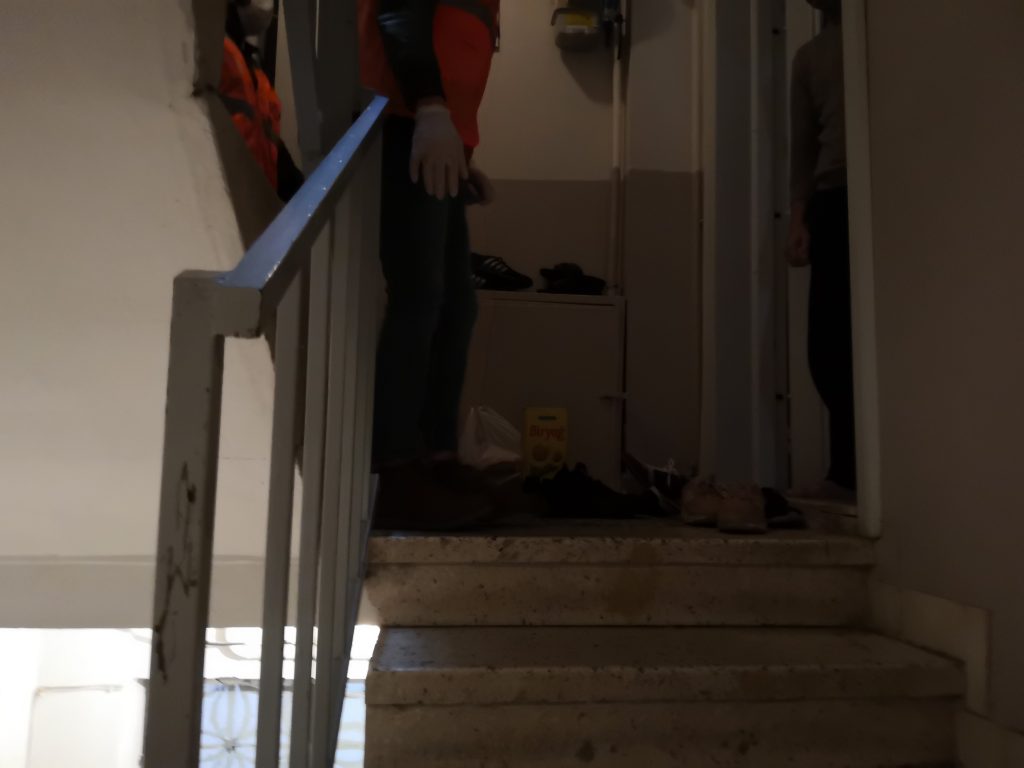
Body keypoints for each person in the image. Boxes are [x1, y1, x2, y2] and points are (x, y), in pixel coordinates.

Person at [359, 0, 500, 529]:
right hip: (402, 121)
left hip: (431, 130)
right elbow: (399, 10)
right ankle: (393, 470)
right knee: (420, 299)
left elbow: (456, 46)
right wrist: (430, 108)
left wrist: (458, 149)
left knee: (456, 306)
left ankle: (437, 457)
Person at [788, 0, 856, 500]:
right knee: (828, 347)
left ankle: (857, 473)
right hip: (831, 200)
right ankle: (846, 472)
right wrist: (799, 218)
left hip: (885, 196)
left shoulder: (883, 39)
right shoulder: (810, 56)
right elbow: (803, 147)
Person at [220, 0, 304, 202]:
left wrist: (296, 187)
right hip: (231, 200)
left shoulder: (248, 62)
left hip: (259, 199)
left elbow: (265, 135)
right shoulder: (217, 57)